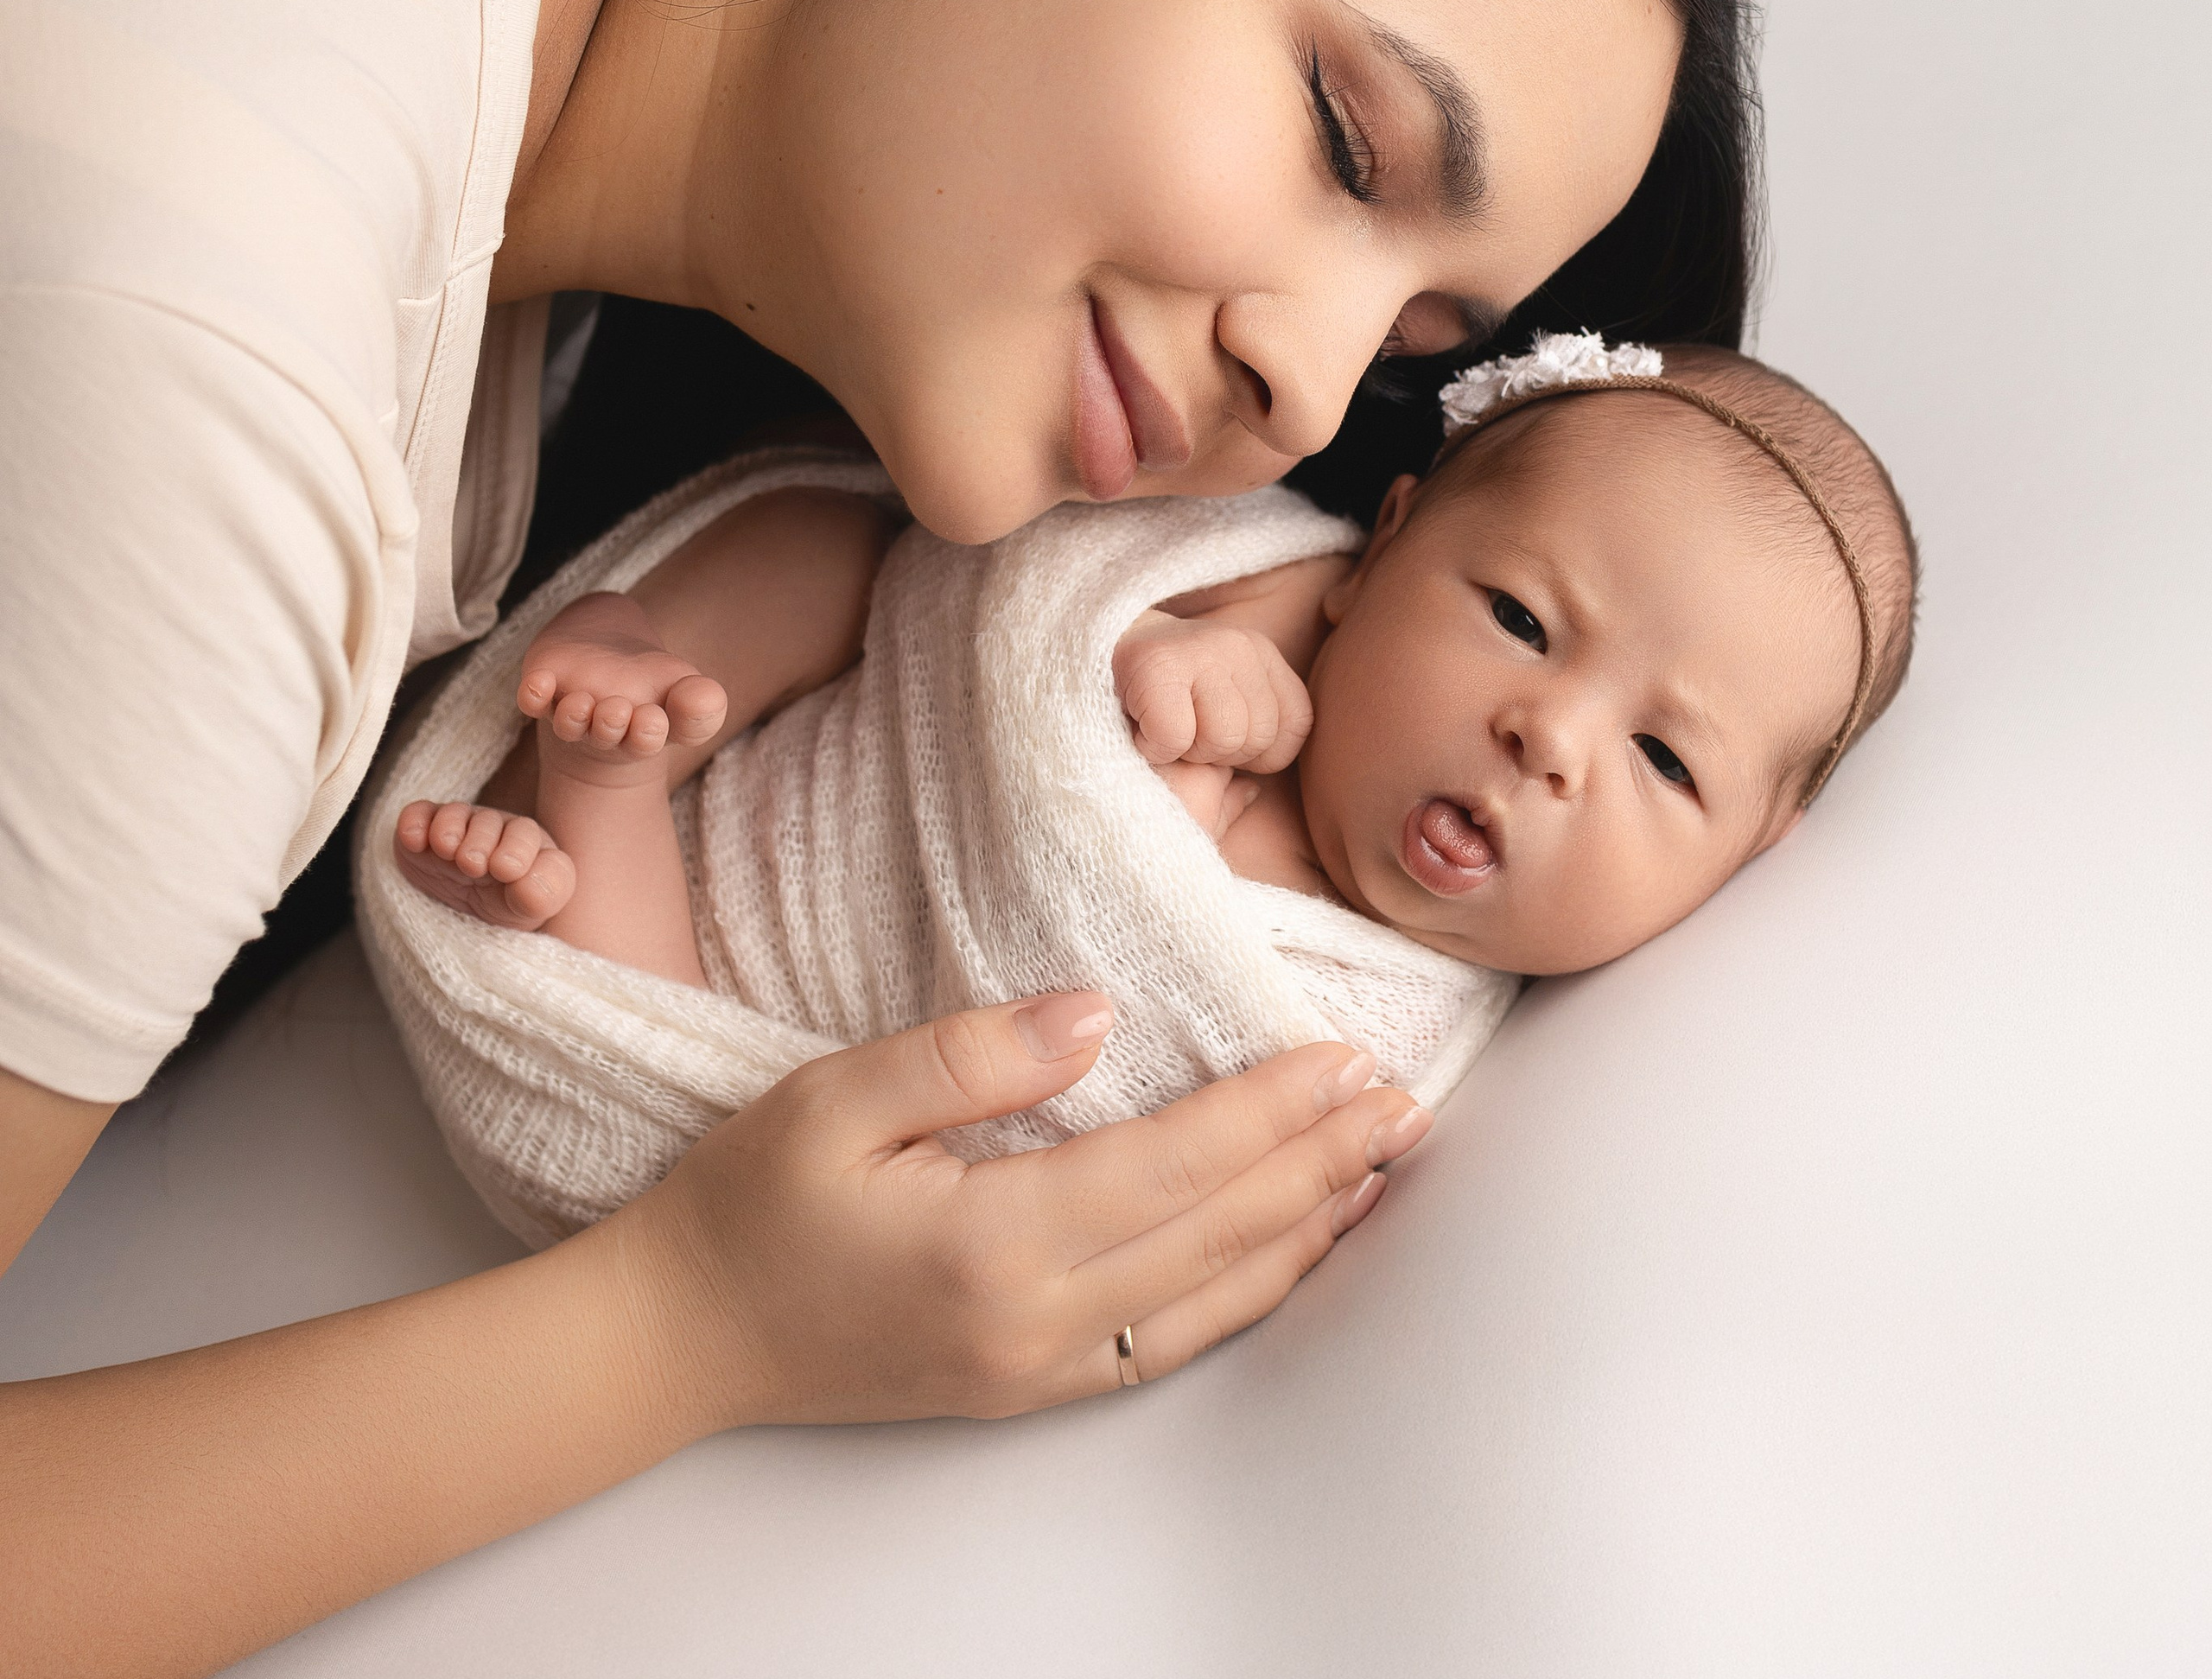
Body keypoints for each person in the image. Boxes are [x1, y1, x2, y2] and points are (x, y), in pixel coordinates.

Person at [0, 0, 1756, 1679]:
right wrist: (687, 1327)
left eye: (1423, 339)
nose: (1308, 383)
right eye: (1346, 134)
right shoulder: (222, 371)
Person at [364, 335, 1912, 1249]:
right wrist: (1147, 640)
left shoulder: (1378, 1031)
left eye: (1662, 760)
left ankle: (600, 799)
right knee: (883, 545)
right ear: (1387, 539)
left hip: (747, 1001)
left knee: (729, 1120)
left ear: (1749, 856)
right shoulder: (1261, 574)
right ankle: (656, 669)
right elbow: (1005, 593)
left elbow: (1078, 1114)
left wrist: (1159, 808)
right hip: (832, 731)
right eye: (1517, 620)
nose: (1548, 737)